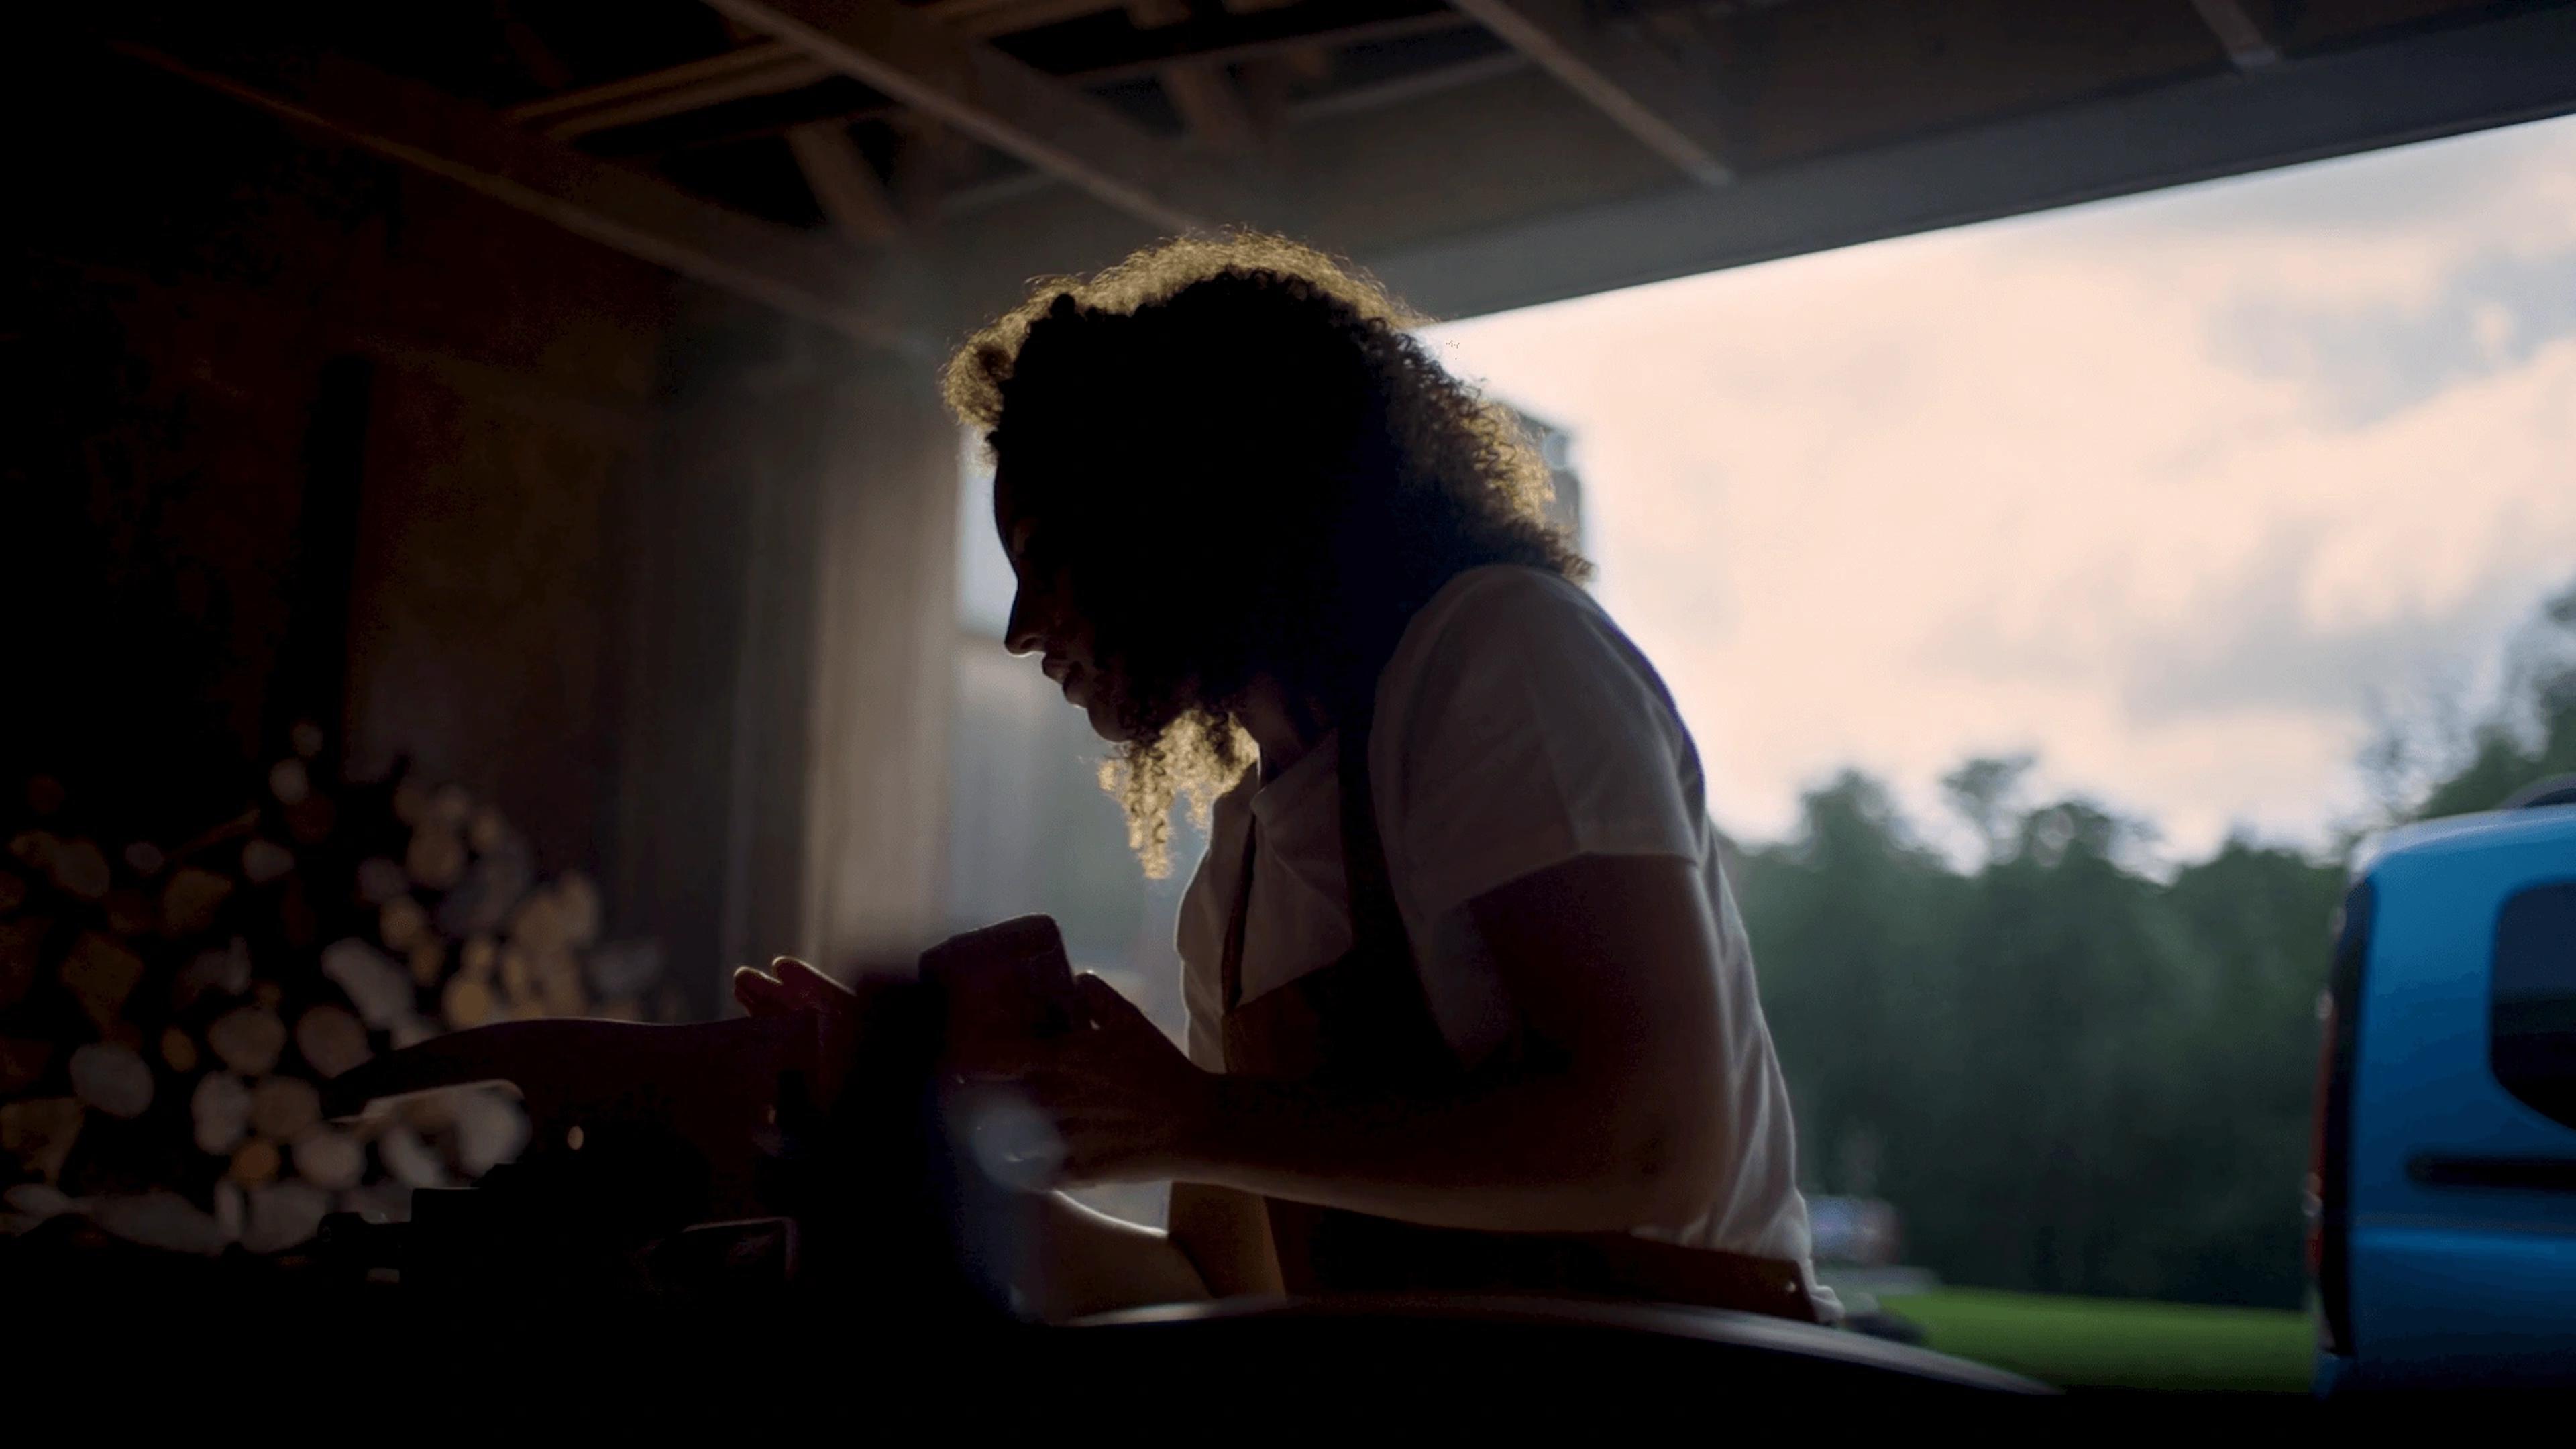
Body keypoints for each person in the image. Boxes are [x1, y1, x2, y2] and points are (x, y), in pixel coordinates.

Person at [733, 234, 1834, 1326]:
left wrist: (1199, 1121)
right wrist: (900, 1142)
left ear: (1186, 500)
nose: (1022, 628)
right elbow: (1216, 1296)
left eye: (1046, 552)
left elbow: (1655, 1146)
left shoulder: (1500, 658)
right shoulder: (1241, 869)